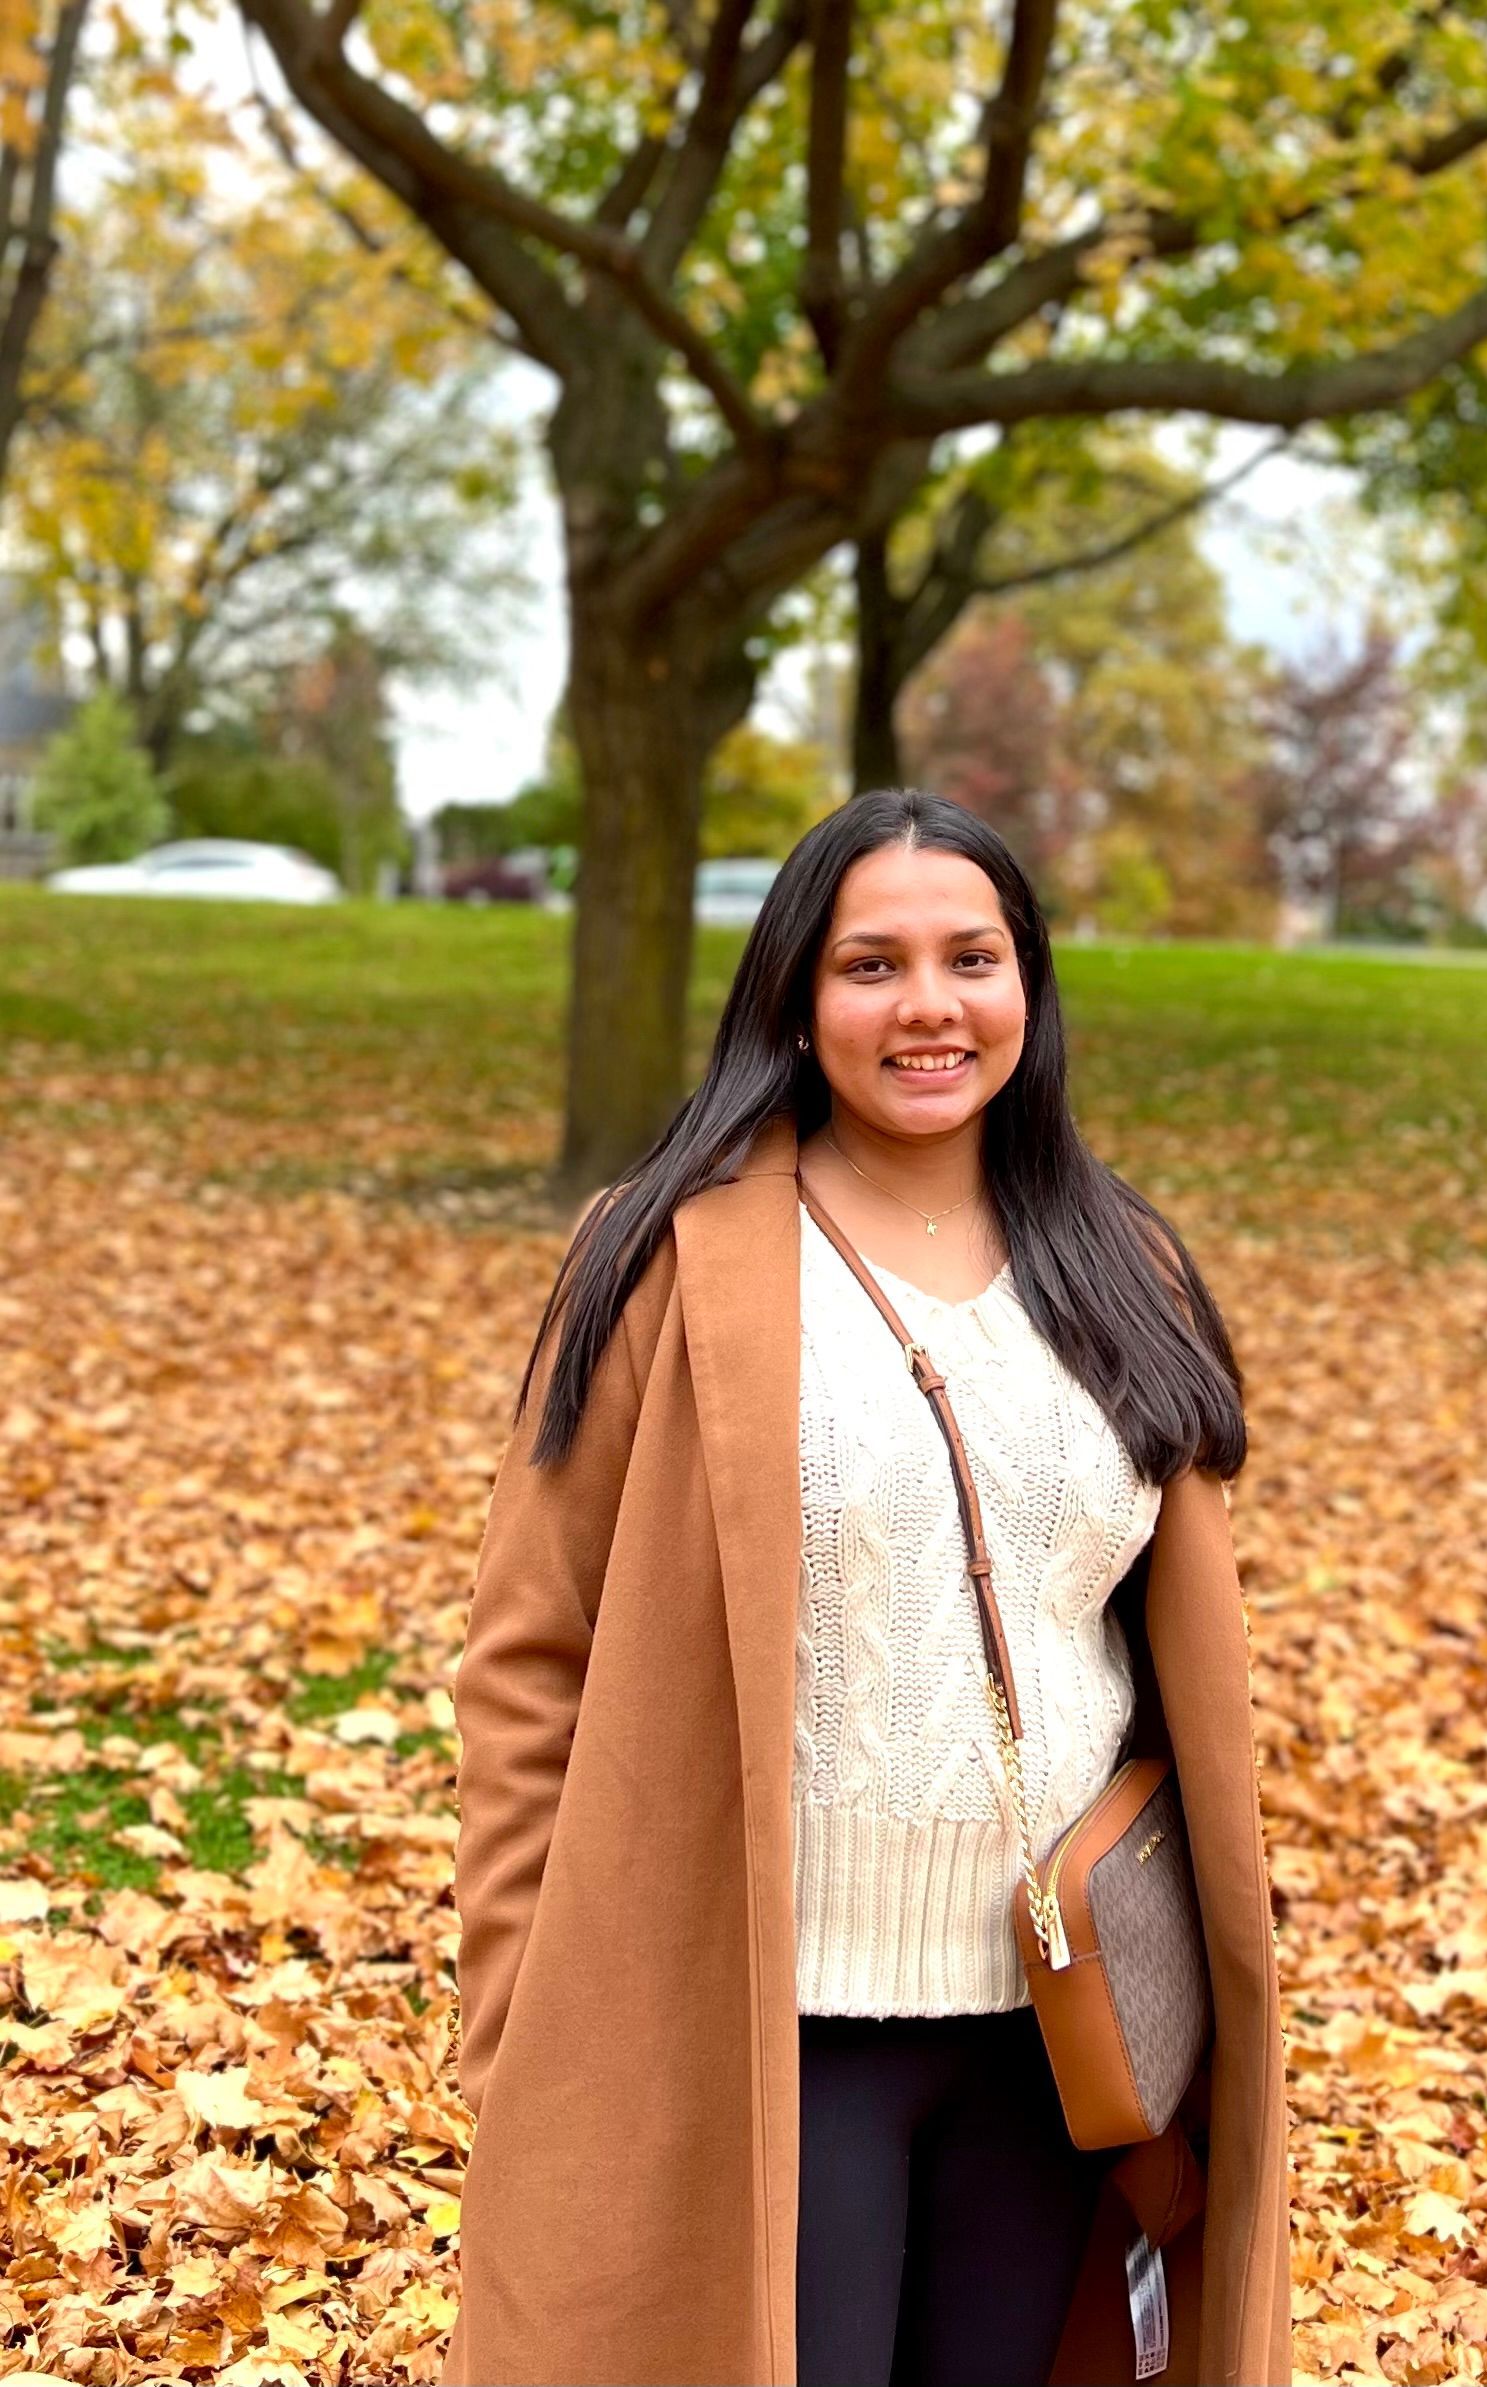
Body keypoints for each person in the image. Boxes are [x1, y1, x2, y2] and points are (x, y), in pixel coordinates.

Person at [439, 788, 1291, 2387]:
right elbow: (528, 1660)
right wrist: (519, 2018)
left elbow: (1152, 1653)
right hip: (772, 2022)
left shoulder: (1119, 1265)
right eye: (870, 965)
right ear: (795, 994)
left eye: (970, 958)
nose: (927, 1008)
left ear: (1026, 989)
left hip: (1057, 2035)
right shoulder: (666, 1260)